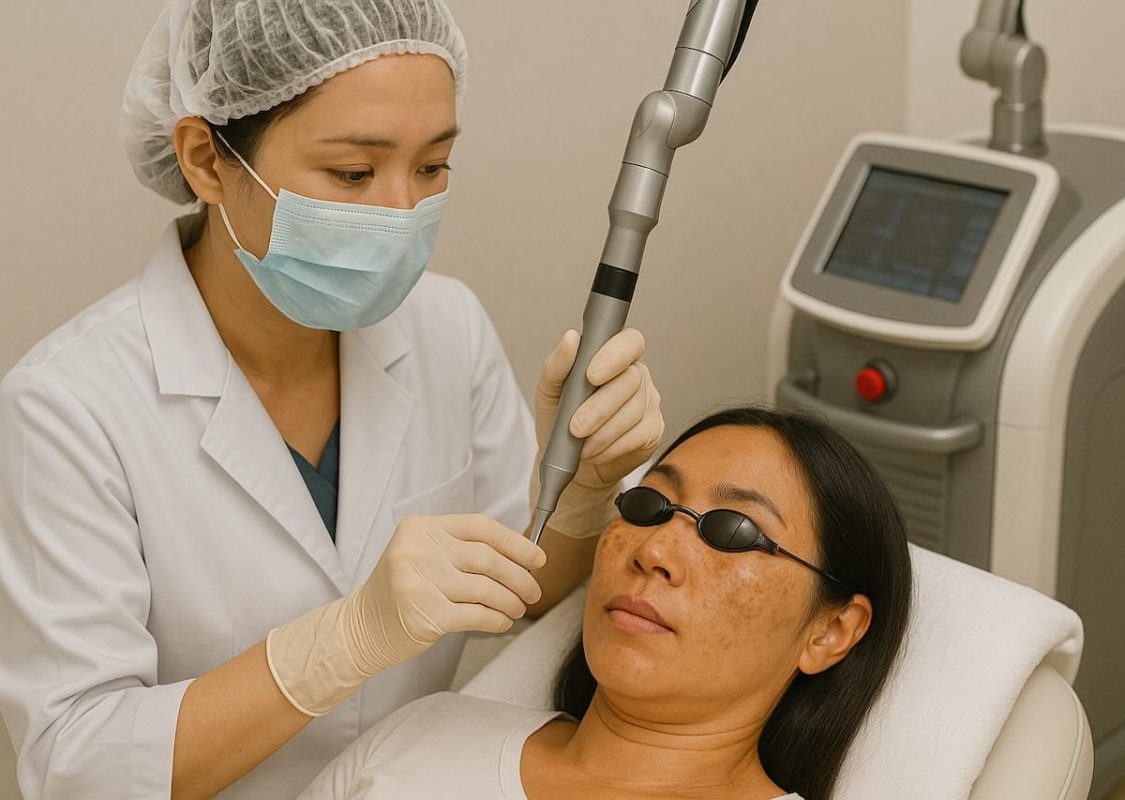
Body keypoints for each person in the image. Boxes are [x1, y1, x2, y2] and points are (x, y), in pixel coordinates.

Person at [0, 2, 664, 798]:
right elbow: (77, 768)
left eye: (432, 168)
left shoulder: (447, 329)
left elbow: (524, 587)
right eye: (352, 172)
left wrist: (584, 491)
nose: (399, 213)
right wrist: (344, 641)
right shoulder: (69, 407)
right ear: (207, 160)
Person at [299, 407, 914, 800]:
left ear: (832, 630)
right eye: (648, 506)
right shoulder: (429, 731)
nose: (656, 550)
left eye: (732, 530)